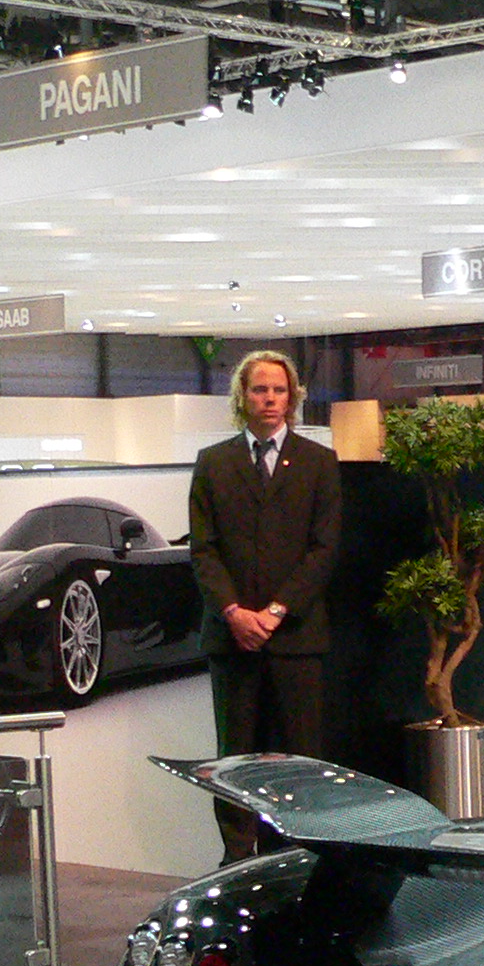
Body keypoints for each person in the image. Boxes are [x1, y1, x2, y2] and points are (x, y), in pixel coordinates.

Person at [188, 350, 341, 861]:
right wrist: (234, 613)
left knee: (298, 759)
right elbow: (203, 550)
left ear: (292, 397)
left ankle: (292, 859)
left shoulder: (318, 462)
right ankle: (236, 861)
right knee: (234, 759)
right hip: (232, 639)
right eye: (260, 389)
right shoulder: (213, 463)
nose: (270, 399)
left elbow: (324, 549)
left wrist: (275, 612)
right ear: (243, 396)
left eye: (279, 390)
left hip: (296, 638)